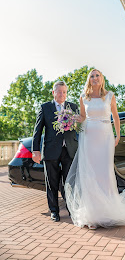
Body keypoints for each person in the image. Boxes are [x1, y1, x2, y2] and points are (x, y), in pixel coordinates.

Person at [65, 69, 125, 229]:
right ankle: (93, 215)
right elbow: (83, 117)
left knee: (104, 174)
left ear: (102, 79)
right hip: (89, 138)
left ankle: (106, 211)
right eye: (92, 76)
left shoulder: (109, 95)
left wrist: (118, 136)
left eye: (97, 75)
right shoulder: (84, 97)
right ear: (89, 80)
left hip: (105, 137)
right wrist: (72, 118)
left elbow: (116, 117)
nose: (95, 78)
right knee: (90, 174)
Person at [32, 81, 78, 222]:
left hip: (69, 150)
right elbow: (37, 130)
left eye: (64, 92)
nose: (62, 94)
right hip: (51, 151)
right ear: (53, 93)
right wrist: (35, 150)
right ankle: (54, 211)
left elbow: (80, 127)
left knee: (69, 182)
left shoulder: (73, 107)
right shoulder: (45, 107)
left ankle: (71, 209)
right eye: (59, 92)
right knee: (51, 182)